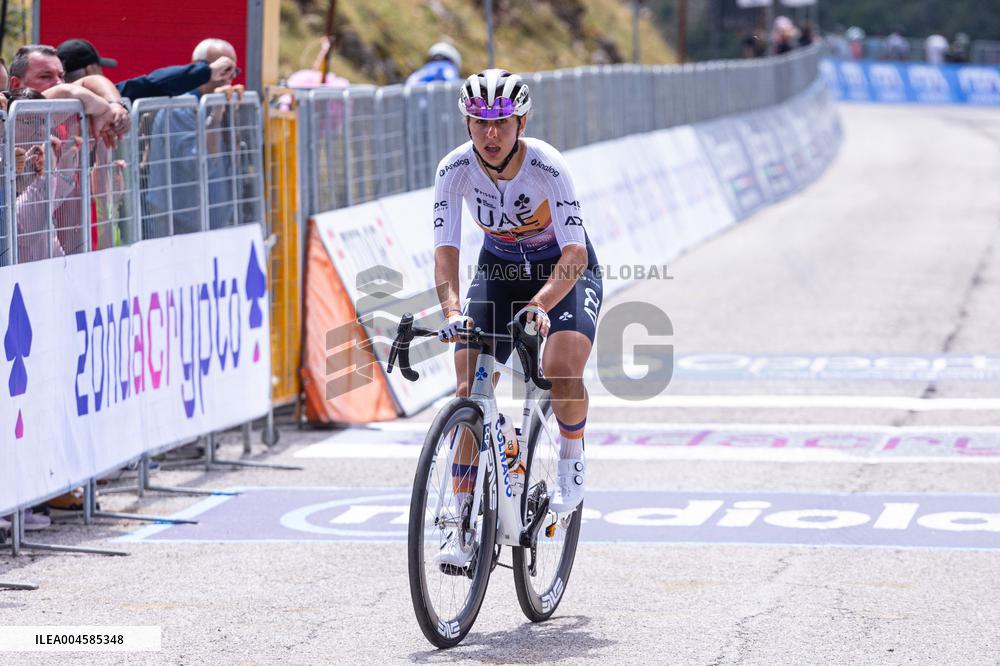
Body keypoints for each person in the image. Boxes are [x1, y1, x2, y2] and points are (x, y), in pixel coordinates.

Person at [431, 69, 602, 568]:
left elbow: (574, 252)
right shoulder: (453, 171)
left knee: (564, 365)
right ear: (466, 123)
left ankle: (571, 462)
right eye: (480, 122)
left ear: (521, 122)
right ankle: (462, 524)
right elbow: (446, 252)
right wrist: (452, 311)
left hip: (563, 273)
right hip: (499, 272)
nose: (490, 134)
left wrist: (542, 305)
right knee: (468, 388)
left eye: (501, 123)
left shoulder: (547, 167)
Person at [146, 38, 242, 236]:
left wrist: (231, 115)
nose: (229, 78)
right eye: (224, 69)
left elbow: (237, 160)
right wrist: (216, 114)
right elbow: (200, 163)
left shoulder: (219, 104)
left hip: (211, 223)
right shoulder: (180, 108)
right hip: (178, 227)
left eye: (233, 71)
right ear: (198, 68)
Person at [57, 37, 239, 101]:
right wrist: (206, 71)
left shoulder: (39, 108)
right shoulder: (109, 101)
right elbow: (151, 84)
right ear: (90, 71)